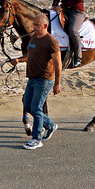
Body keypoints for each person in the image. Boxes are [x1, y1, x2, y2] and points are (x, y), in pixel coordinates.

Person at [11, 14, 62, 150]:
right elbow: (30, 55)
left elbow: (58, 63)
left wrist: (58, 83)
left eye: (37, 25)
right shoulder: (34, 38)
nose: (34, 27)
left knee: (36, 109)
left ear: (45, 26)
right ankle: (50, 125)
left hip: (44, 80)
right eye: (34, 24)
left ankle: (36, 138)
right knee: (27, 105)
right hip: (32, 79)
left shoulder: (51, 41)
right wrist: (19, 60)